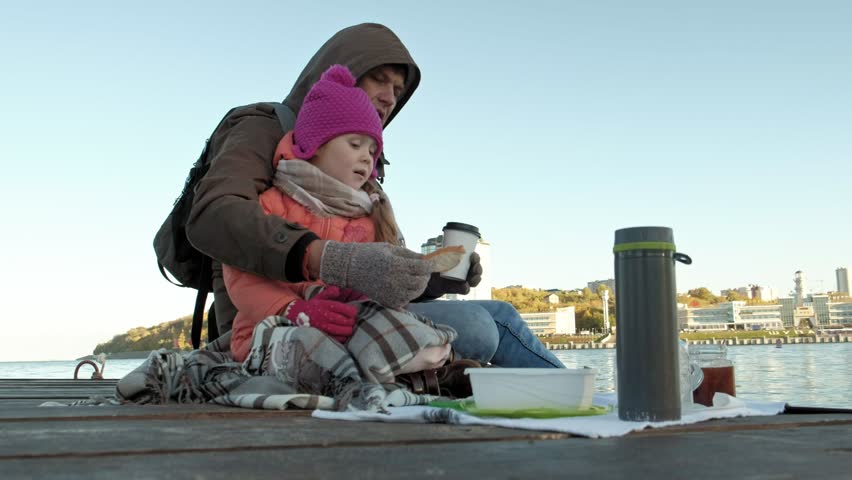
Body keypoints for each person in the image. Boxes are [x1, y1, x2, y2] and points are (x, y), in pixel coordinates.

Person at [186, 23, 563, 368]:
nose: (389, 98)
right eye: (378, 80)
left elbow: (369, 279)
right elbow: (214, 217)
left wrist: (429, 278)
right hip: (270, 324)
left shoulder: (364, 182)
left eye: (397, 91)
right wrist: (328, 259)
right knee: (480, 328)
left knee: (502, 314)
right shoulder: (263, 129)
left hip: (349, 311)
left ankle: (581, 404)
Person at [225, 64, 453, 379]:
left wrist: (427, 279)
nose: (365, 157)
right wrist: (292, 309)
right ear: (315, 146)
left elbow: (375, 287)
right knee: (311, 346)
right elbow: (241, 278)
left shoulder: (369, 217)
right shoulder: (273, 203)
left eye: (372, 150)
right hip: (270, 328)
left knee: (410, 335)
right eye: (355, 145)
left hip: (342, 327)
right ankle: (367, 370)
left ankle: (371, 367)